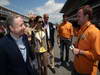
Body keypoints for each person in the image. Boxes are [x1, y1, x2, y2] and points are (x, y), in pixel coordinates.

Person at [72, 5, 100, 75]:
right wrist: (75, 44)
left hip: (86, 71)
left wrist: (79, 52)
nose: (76, 18)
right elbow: (82, 42)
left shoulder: (94, 32)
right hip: (76, 67)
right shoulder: (81, 29)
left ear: (86, 17)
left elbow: (96, 55)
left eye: (79, 16)